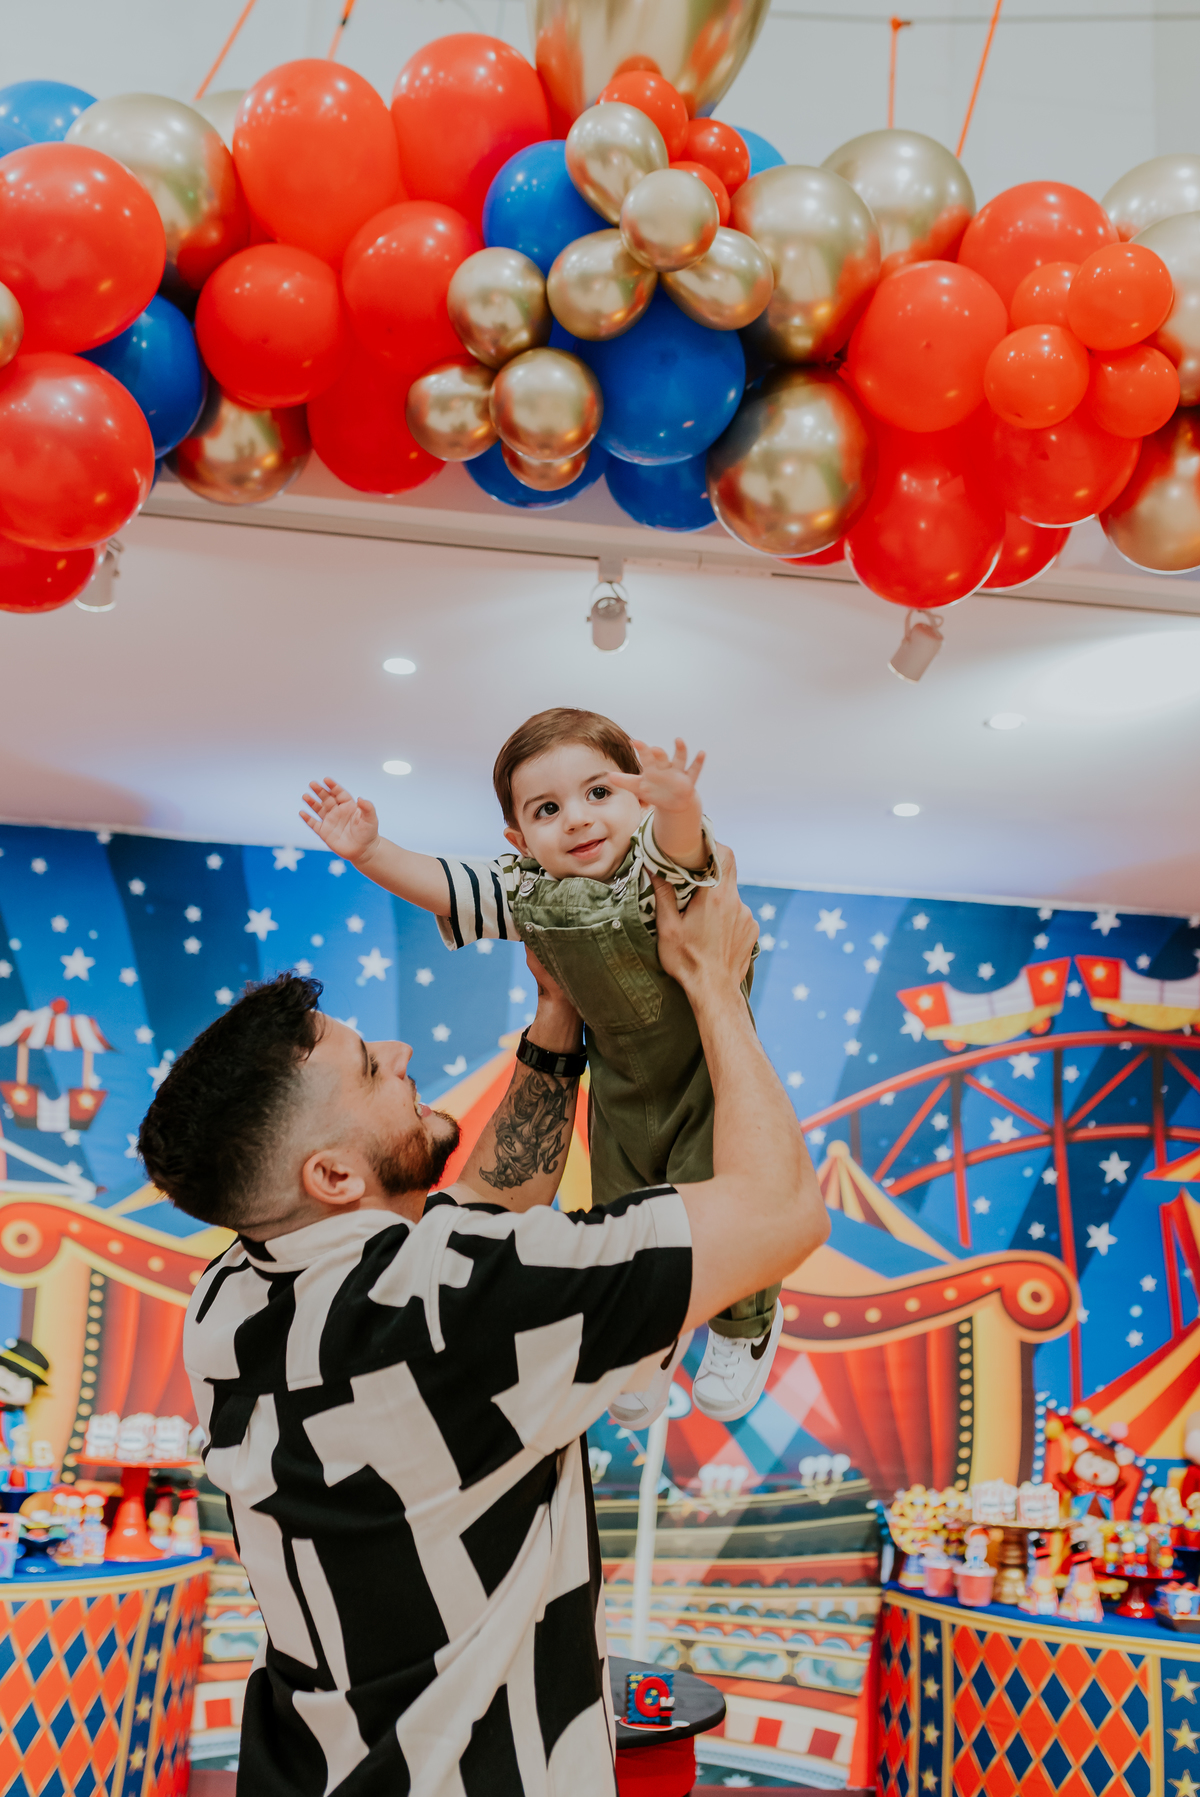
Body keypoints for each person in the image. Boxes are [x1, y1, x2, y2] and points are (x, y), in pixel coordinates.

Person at [138, 852, 826, 1797]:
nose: (405, 1056)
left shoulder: (231, 1294)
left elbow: (478, 1208)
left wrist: (556, 1017)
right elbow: (782, 1212)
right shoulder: (465, 1306)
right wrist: (717, 984)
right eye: (373, 1066)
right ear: (333, 1178)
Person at [300, 708, 782, 1428]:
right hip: (620, 1090)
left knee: (726, 1197)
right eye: (548, 809)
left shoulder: (658, 869)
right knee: (631, 1211)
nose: (579, 820)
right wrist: (372, 852)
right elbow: (447, 884)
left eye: (600, 793)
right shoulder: (531, 892)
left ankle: (746, 1325)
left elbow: (685, 847)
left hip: (709, 1080)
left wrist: (680, 803)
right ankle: (650, 1338)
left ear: (638, 803)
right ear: (519, 840)